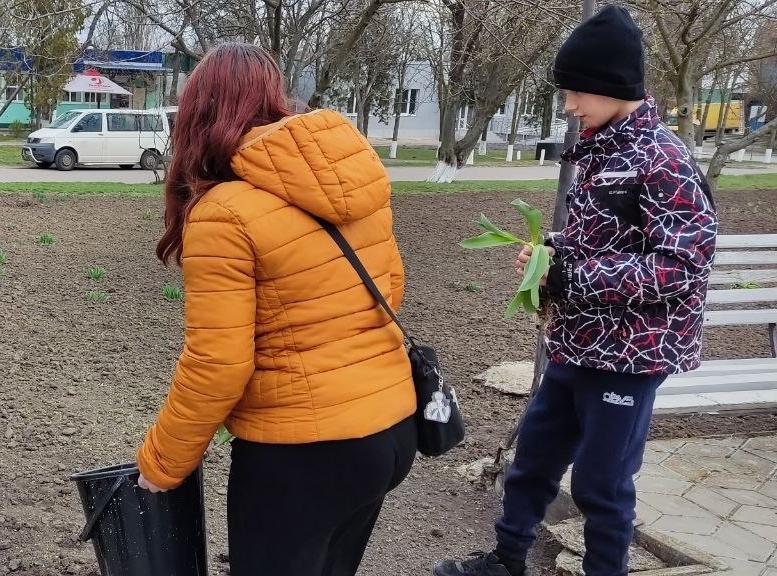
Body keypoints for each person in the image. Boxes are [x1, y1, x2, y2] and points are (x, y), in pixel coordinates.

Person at [432, 7, 716, 576]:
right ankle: (507, 560)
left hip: (630, 357)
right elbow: (606, 236)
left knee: (601, 484)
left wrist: (575, 277)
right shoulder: (604, 145)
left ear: (615, 86)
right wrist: (553, 252)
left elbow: (681, 266)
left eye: (577, 92)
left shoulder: (665, 160)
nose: (569, 106)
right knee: (532, 462)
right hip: (576, 342)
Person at [134, 42, 417, 576]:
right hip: (390, 429)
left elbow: (218, 364)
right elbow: (391, 286)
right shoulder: (350, 181)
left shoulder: (224, 212)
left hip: (304, 454)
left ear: (199, 113)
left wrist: (161, 462)